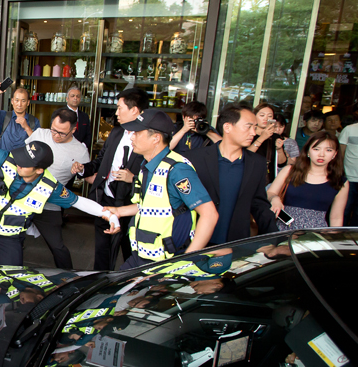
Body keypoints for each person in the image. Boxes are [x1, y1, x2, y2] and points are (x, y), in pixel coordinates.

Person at [0, 126, 119, 267]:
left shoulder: (49, 187)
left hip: (8, 239)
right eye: (21, 157)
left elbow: (78, 201)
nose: (18, 164)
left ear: (39, 170)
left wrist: (108, 214)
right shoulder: (9, 159)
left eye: (24, 163)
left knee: (12, 282)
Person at [104, 108, 219, 270]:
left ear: (156, 138)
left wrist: (186, 261)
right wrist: (119, 211)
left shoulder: (177, 170)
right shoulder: (147, 165)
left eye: (137, 133)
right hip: (142, 256)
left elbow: (210, 214)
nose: (131, 137)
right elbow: (149, 205)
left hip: (167, 263)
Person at [73, 88, 149, 270]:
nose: (116, 113)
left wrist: (133, 178)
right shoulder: (116, 133)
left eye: (120, 108)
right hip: (106, 198)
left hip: (131, 203)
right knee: (102, 248)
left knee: (129, 250)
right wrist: (84, 169)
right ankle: (100, 280)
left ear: (134, 110)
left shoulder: (149, 138)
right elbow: (101, 161)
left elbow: (156, 175)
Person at [186, 103, 278, 245]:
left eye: (255, 127)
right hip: (196, 242)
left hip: (235, 243)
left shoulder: (257, 163)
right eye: (248, 127)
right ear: (227, 127)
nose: (253, 133)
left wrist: (276, 239)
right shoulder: (194, 159)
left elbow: (259, 205)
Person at [24, 108, 91, 271]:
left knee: (57, 246)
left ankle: (68, 277)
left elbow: (90, 178)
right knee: (11, 238)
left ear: (73, 130)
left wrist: (82, 170)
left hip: (50, 203)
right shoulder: (40, 134)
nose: (56, 135)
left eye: (62, 133)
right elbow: (22, 158)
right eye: (53, 130)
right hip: (23, 197)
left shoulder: (80, 150)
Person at [267, 130, 348, 229]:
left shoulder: (340, 182)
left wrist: (334, 236)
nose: (321, 154)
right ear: (308, 151)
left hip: (315, 232)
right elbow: (270, 192)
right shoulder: (290, 171)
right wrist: (274, 198)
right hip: (283, 228)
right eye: (316, 149)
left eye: (328, 150)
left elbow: (336, 217)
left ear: (335, 154)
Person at [0, 87, 40, 151]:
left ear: (28, 103)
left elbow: (38, 144)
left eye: (23, 101)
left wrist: (27, 127)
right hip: (4, 156)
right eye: (17, 100)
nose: (19, 104)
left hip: (24, 157)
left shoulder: (34, 121)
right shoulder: (3, 116)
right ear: (12, 101)